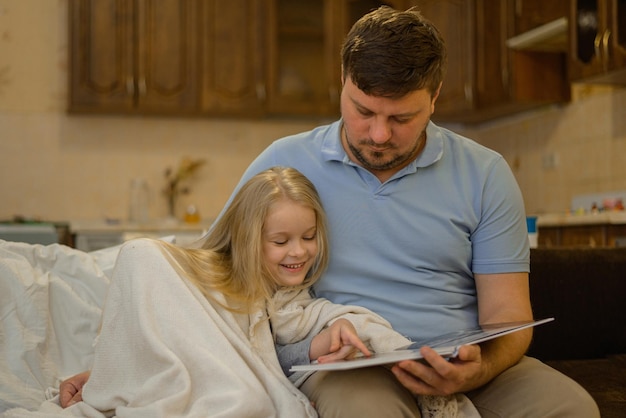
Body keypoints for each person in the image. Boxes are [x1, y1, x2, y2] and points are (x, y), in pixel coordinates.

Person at [60, 5, 599, 417]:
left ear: (435, 97)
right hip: (346, 366)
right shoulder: (283, 164)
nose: (378, 134)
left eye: (401, 117)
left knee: (575, 408)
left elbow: (508, 318)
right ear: (341, 82)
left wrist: (478, 370)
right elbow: (210, 281)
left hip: (463, 364)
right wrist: (118, 363)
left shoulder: (485, 174)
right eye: (363, 110)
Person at [54, 167, 414, 417]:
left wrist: (321, 344)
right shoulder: (206, 279)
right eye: (280, 241)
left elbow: (264, 357)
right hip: (209, 385)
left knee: (248, 397)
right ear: (247, 240)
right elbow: (161, 339)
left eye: (308, 237)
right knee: (142, 252)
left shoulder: (290, 300)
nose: (299, 252)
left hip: (241, 389)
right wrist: (107, 375)